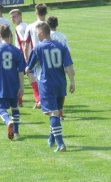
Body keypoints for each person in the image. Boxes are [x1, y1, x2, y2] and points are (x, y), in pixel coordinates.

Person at [25, 22, 75, 152]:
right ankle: (52, 139)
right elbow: (69, 66)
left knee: (52, 112)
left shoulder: (38, 48)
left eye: (37, 33)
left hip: (47, 84)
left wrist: (26, 70)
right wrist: (72, 81)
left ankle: (61, 143)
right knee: (56, 112)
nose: (36, 35)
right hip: (60, 83)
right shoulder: (61, 46)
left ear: (42, 32)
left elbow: (30, 67)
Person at [0, 24, 25, 139]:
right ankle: (16, 131)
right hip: (14, 84)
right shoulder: (17, 51)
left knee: (1, 108)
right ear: (10, 34)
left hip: (1, 84)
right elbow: (21, 71)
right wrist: (22, 86)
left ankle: (8, 121)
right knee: (15, 107)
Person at [23, 3, 48, 109]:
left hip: (35, 56)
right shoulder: (49, 25)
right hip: (48, 56)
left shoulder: (30, 26)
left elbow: (26, 45)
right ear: (46, 12)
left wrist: (27, 59)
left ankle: (39, 99)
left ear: (36, 12)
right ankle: (43, 100)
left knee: (34, 78)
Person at [47, 16, 71, 120]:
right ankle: (59, 112)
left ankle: (53, 111)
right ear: (57, 24)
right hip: (60, 66)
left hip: (48, 67)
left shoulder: (46, 37)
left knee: (50, 89)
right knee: (61, 90)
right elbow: (67, 52)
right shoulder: (62, 36)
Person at [9, 9, 27, 107]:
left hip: (22, 55)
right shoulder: (25, 25)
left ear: (20, 16)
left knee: (17, 78)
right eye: (11, 17)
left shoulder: (19, 28)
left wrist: (24, 56)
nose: (12, 19)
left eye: (14, 16)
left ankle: (19, 101)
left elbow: (23, 42)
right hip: (28, 54)